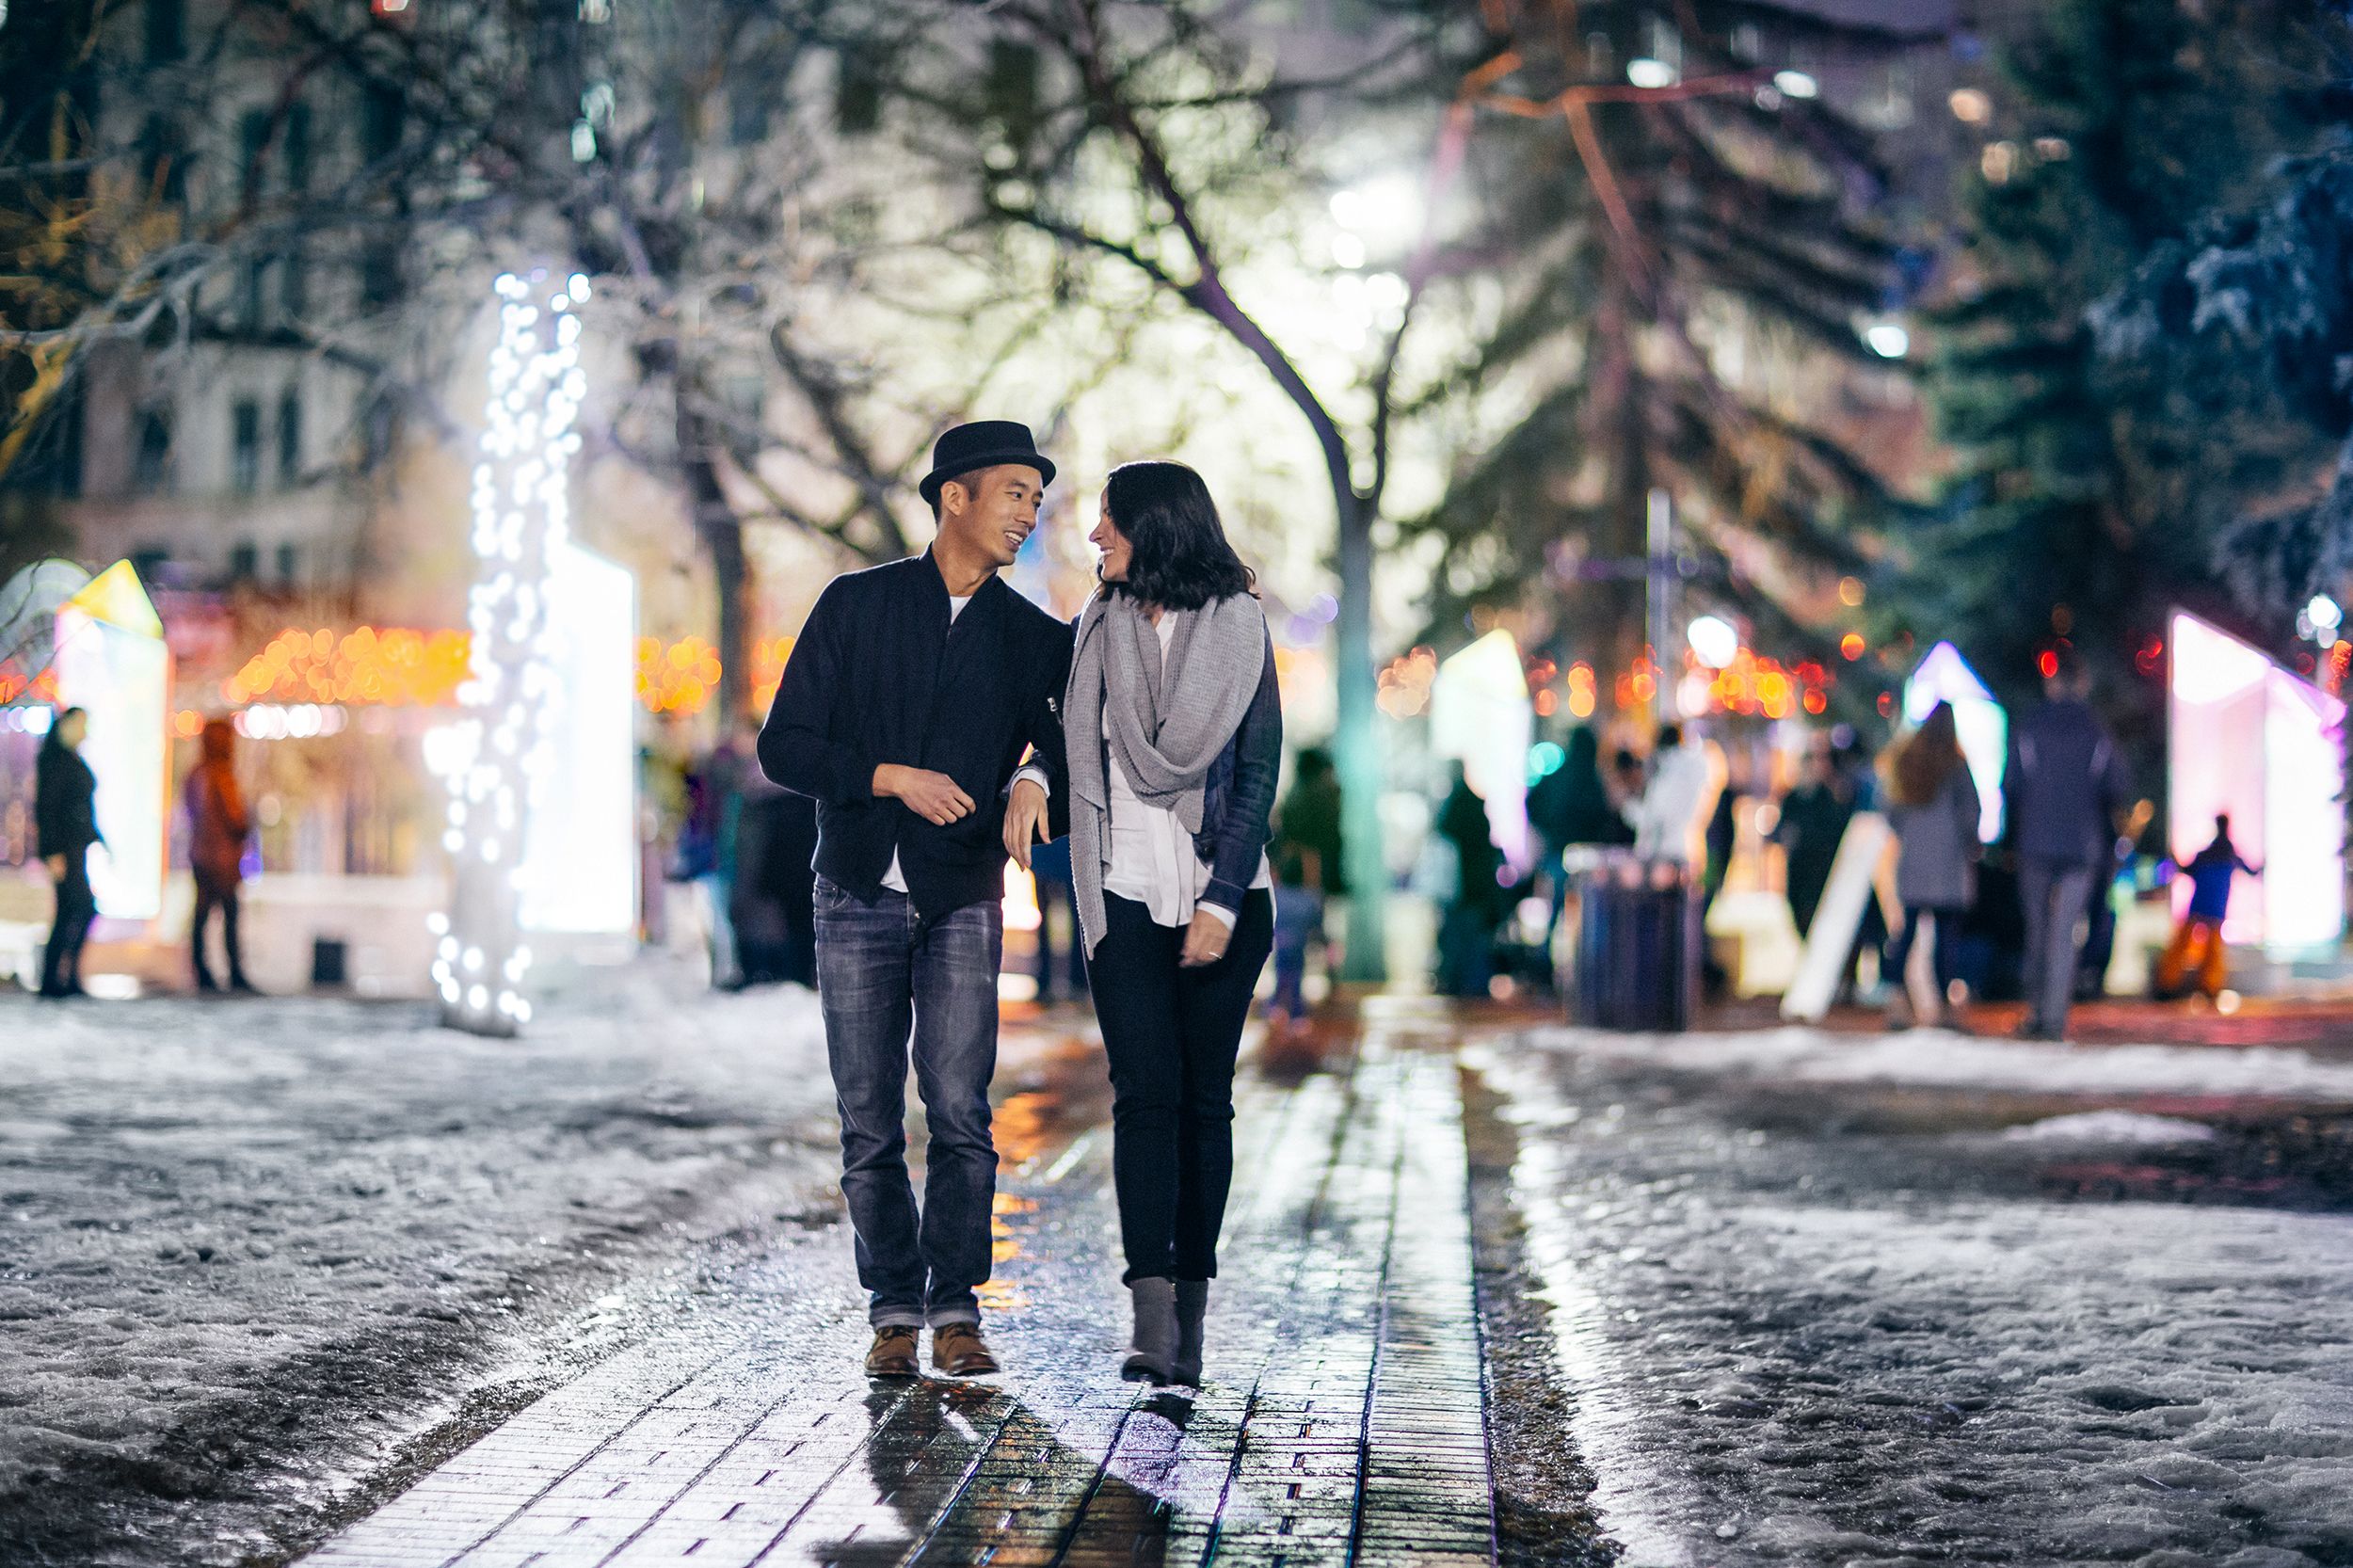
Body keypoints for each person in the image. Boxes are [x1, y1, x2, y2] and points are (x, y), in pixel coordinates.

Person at [760, 420, 1072, 1380]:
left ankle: (957, 1308)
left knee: (960, 1107)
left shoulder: (1030, 638)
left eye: (1034, 496)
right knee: (867, 1117)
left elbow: (1072, 737)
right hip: (853, 889)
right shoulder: (855, 606)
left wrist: (1036, 779)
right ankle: (892, 1307)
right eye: (1013, 491)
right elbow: (786, 746)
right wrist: (888, 775)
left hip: (961, 896)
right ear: (955, 498)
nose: (1028, 511)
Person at [1002, 459, 1277, 1388]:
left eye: (1108, 522)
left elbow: (1257, 772)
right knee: (1142, 1095)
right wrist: (1037, 775)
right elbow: (1068, 742)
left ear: (1154, 527)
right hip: (1120, 887)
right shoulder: (1097, 628)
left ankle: (1190, 1317)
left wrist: (1221, 900)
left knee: (1204, 1102)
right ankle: (1150, 1321)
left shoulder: (1238, 628)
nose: (1092, 537)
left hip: (1218, 894)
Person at [2006, 648, 2131, 1041]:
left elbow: (2011, 786)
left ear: (2049, 682)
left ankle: (2036, 1013)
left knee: (2037, 931)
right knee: (2066, 933)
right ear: (2081, 683)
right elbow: (2118, 788)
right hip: (2082, 846)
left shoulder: (2029, 728)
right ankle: (2056, 1019)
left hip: (2034, 844)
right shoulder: (2098, 732)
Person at [1880, 702, 1981, 1030]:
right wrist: (1972, 845)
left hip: (1913, 863)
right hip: (1948, 862)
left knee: (1906, 933)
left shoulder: (1907, 762)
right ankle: (1943, 1009)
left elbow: (1890, 812)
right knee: (1945, 937)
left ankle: (1897, 1002)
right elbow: (1971, 814)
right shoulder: (1956, 765)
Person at [1267, 746, 1341, 1031]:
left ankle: (1284, 1002)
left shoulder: (1298, 797)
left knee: (1290, 944)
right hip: (1304, 883)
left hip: (1292, 883)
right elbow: (1312, 848)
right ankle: (1291, 1004)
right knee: (1298, 943)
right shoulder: (1319, 797)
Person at [184, 717, 255, 994]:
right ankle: (233, 973)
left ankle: (202, 972)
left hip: (202, 856)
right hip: (222, 859)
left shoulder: (196, 774)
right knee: (229, 916)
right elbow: (236, 819)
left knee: (202, 917)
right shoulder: (220, 775)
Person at [2154, 814, 2259, 1000]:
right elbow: (2251, 871)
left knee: (2184, 945)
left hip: (2199, 904)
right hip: (2216, 907)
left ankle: (2168, 983)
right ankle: (2208, 987)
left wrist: (2174, 858)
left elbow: (2186, 870)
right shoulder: (2230, 854)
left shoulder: (2206, 854)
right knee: (2212, 949)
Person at [35, 708, 100, 999]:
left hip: (75, 847)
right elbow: (47, 809)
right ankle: (56, 976)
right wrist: (52, 852)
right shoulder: (56, 761)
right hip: (66, 849)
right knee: (80, 907)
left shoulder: (69, 758)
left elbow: (81, 809)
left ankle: (61, 976)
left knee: (71, 910)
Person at [1433, 761, 1504, 999]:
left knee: (1459, 936)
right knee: (1473, 937)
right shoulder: (1473, 804)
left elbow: (1444, 831)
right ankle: (1474, 984)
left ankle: (1460, 981)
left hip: (1461, 885)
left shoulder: (1455, 805)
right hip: (1475, 886)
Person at [1772, 739, 1852, 941]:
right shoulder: (1791, 797)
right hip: (1799, 865)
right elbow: (1781, 830)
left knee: (1816, 914)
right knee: (1798, 913)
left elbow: (1836, 830)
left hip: (1820, 867)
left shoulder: (1829, 796)